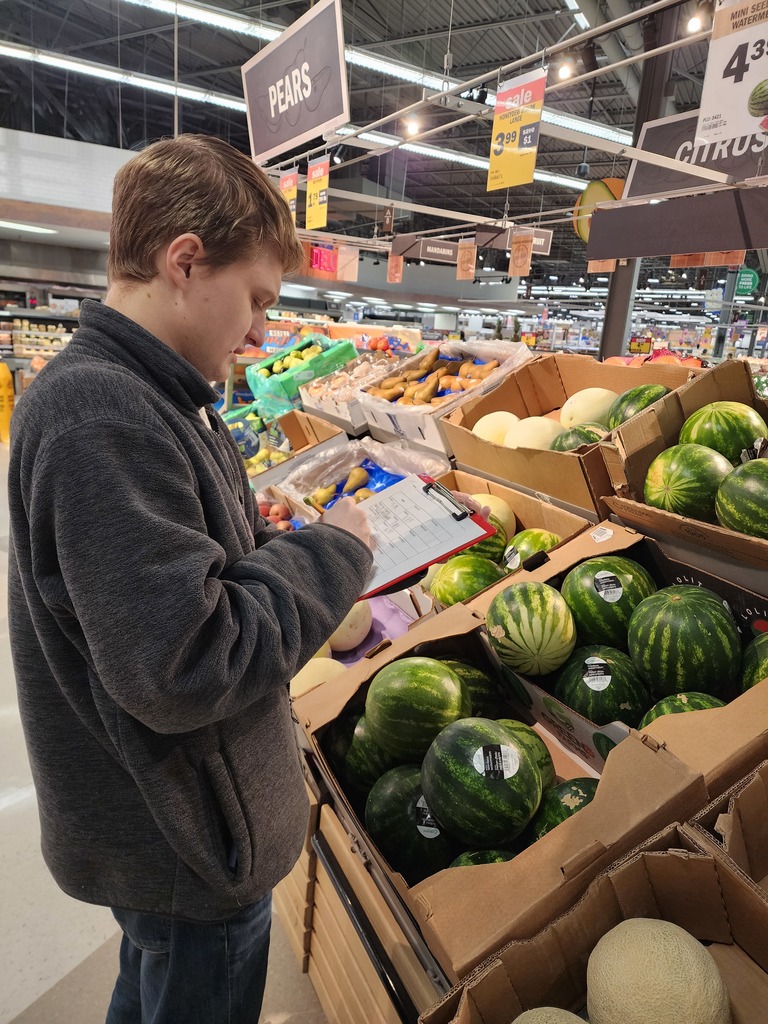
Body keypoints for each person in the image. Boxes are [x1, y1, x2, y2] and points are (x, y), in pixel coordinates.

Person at [7, 134, 374, 1024]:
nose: (258, 334)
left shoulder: (153, 394)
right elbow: (187, 662)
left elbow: (175, 584)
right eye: (254, 300)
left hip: (174, 832)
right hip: (184, 843)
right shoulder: (103, 414)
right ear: (184, 263)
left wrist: (254, 543)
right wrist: (335, 553)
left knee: (152, 986)